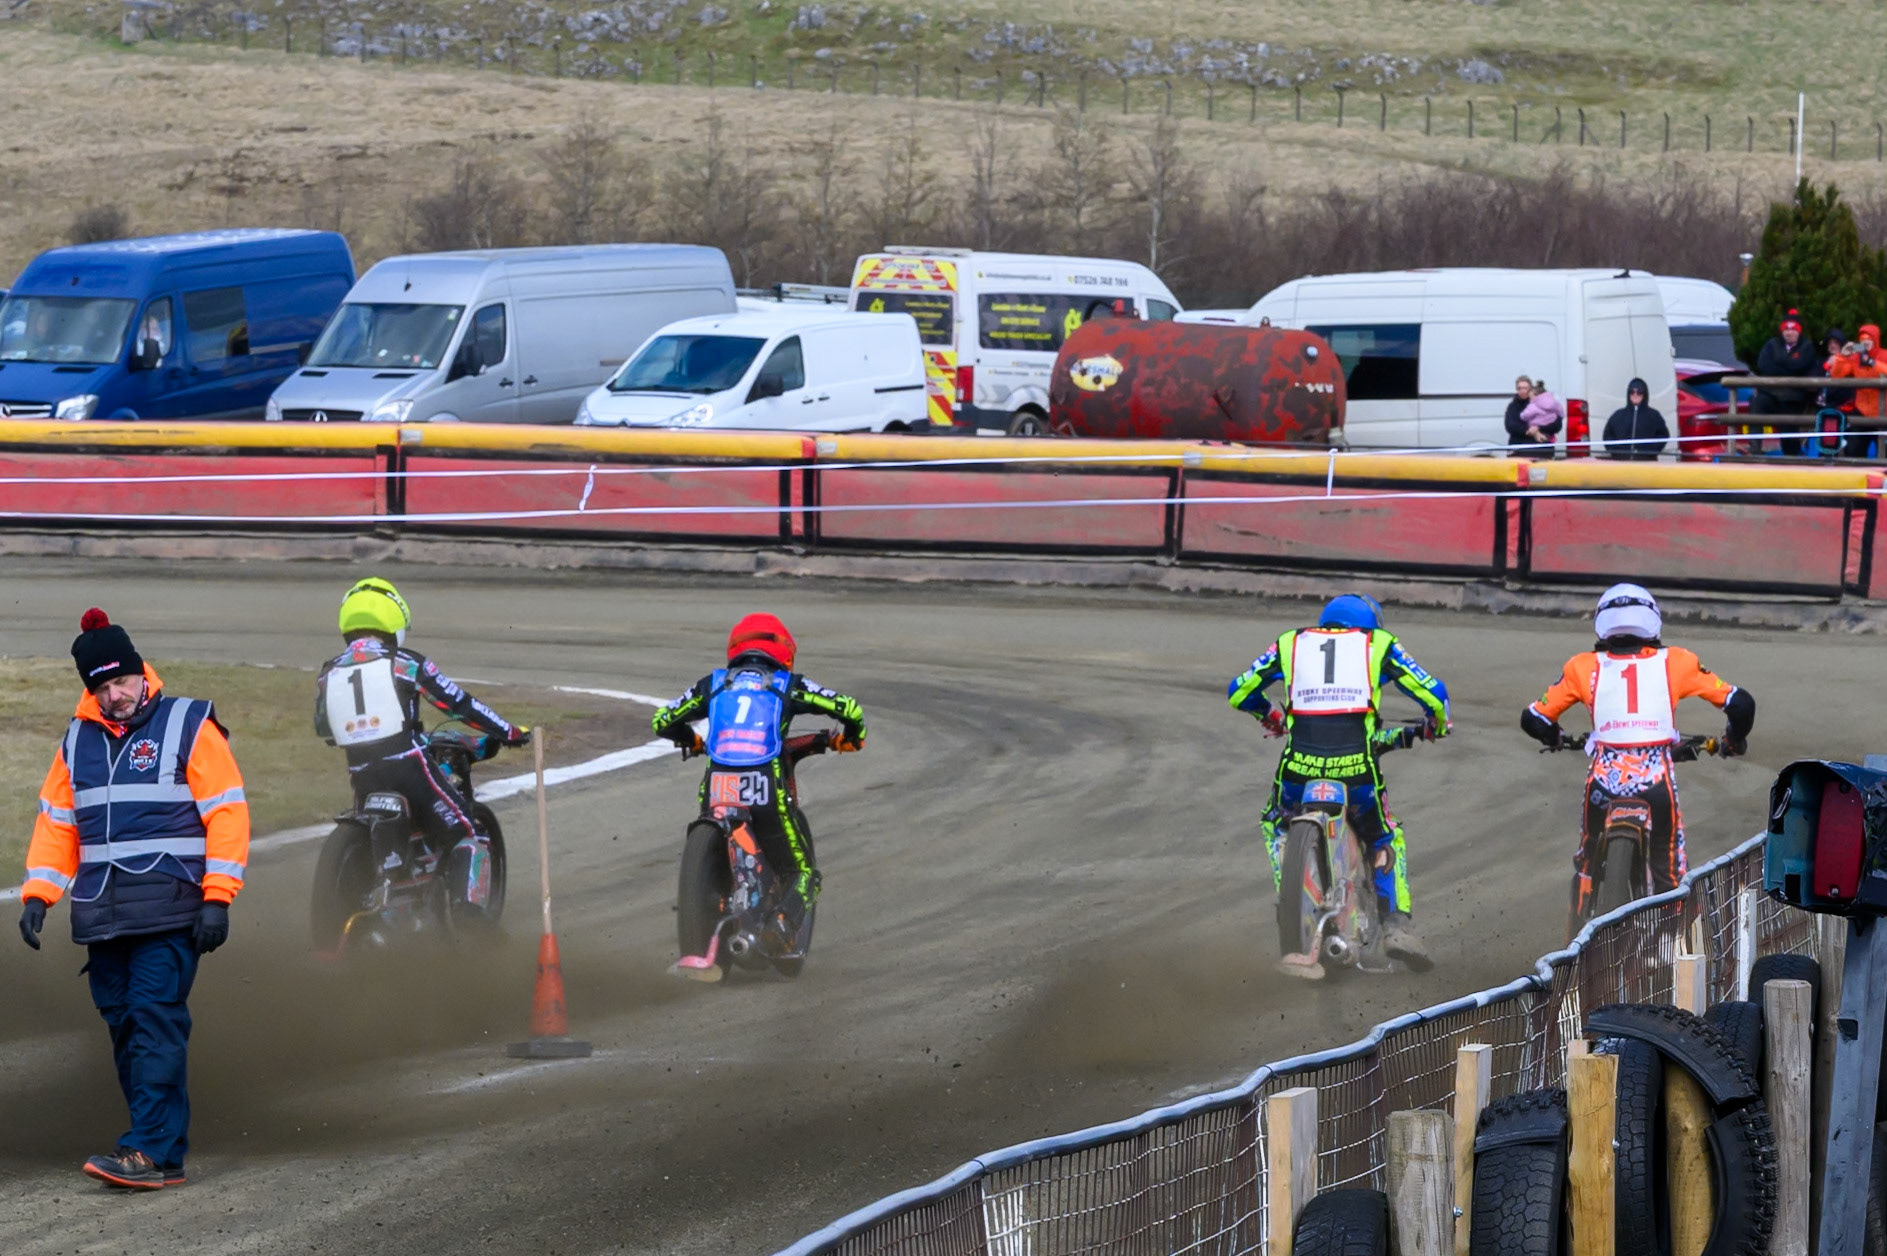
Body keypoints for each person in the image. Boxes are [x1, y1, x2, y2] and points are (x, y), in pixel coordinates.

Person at [16, 609, 250, 1190]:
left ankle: (144, 1150)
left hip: (172, 910)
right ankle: (163, 1153)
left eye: (123, 681)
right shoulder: (76, 739)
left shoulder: (189, 722)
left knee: (153, 1020)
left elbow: (227, 811)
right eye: (103, 687)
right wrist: (40, 893)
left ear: (141, 672)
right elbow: (58, 824)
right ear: (89, 689)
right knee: (125, 1026)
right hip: (101, 915)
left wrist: (218, 897)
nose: (117, 695)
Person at [1227, 594, 1451, 976]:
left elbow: (1239, 691)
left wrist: (1273, 718)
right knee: (1385, 836)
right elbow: (1435, 694)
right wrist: (1437, 725)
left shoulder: (1290, 642)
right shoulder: (1378, 643)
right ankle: (1396, 924)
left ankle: (1291, 901)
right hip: (1357, 774)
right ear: (1370, 624)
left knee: (1274, 822)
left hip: (1298, 773)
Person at [1520, 584, 1755, 938]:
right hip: (1656, 781)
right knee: (1670, 868)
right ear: (1652, 620)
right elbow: (1742, 704)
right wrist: (1733, 740)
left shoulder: (1582, 667)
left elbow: (1534, 717)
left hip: (1603, 780)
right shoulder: (1676, 661)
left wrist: (1553, 737)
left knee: (1585, 854)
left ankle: (1572, 944)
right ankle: (1673, 947)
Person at [650, 613, 866, 962]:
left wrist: (692, 738)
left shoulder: (714, 683)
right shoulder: (786, 684)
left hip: (716, 790)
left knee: (710, 809)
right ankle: (780, 923)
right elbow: (849, 709)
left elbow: (662, 720)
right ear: (784, 652)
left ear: (734, 649)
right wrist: (851, 738)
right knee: (805, 874)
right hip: (765, 788)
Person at [314, 578, 528, 908]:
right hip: (409, 768)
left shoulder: (328, 672)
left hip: (361, 774)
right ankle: (471, 920)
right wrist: (508, 731)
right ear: (393, 620)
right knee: (467, 831)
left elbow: (325, 729)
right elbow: (458, 704)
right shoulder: (407, 663)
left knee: (372, 833)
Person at [1753, 310, 1821, 456]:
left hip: (1793, 397)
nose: (1789, 333)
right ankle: (1755, 450)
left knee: (1789, 434)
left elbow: (1801, 365)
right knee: (1756, 404)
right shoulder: (1772, 344)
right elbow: (1764, 366)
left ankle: (1793, 457)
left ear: (1799, 331)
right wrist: (1790, 364)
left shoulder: (1806, 346)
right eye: (1786, 329)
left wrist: (1780, 361)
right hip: (1770, 393)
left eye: (1793, 329)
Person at [1827, 323, 1887, 456]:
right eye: (1862, 340)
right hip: (1861, 411)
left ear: (1875, 341)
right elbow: (1836, 375)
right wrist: (1842, 356)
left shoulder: (1884, 355)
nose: (1865, 343)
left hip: (1884, 412)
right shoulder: (1855, 358)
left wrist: (1872, 362)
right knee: (1853, 450)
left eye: (1868, 340)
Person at [1601, 377, 1670, 461]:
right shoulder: (1618, 415)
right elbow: (1607, 436)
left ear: (1644, 394)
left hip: (1646, 465)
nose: (1635, 395)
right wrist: (1617, 451)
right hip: (1621, 465)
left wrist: (1650, 450)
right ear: (1628, 393)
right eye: (1632, 392)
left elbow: (1663, 435)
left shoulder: (1654, 415)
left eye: (1639, 392)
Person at [1504, 375, 1557, 457]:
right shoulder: (1512, 406)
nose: (1522, 391)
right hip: (1519, 448)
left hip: (1542, 448)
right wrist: (1531, 431)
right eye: (1519, 388)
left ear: (1530, 389)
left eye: (1525, 388)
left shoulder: (1543, 404)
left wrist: (1538, 428)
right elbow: (1510, 426)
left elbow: (1556, 424)